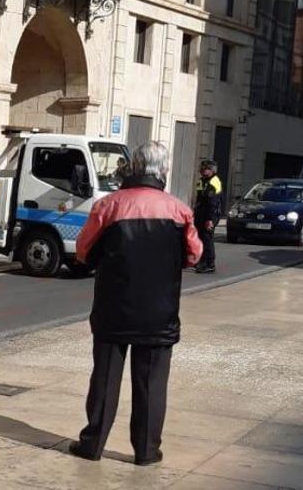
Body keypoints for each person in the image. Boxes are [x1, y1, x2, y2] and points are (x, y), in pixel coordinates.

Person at [69, 141, 203, 466]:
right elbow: (194, 254)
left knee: (104, 378)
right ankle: (146, 451)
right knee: (151, 385)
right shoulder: (179, 211)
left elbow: (83, 251)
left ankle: (93, 444)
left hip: (113, 308)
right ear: (164, 171)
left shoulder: (108, 206)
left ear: (133, 168)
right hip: (159, 312)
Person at [193, 160, 222, 273]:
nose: (202, 170)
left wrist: (210, 219)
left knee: (207, 238)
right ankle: (202, 260)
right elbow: (199, 198)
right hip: (201, 213)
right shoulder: (202, 181)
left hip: (210, 213)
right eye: (202, 168)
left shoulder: (214, 182)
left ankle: (210, 263)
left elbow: (213, 202)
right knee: (200, 237)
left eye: (205, 168)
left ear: (211, 170)